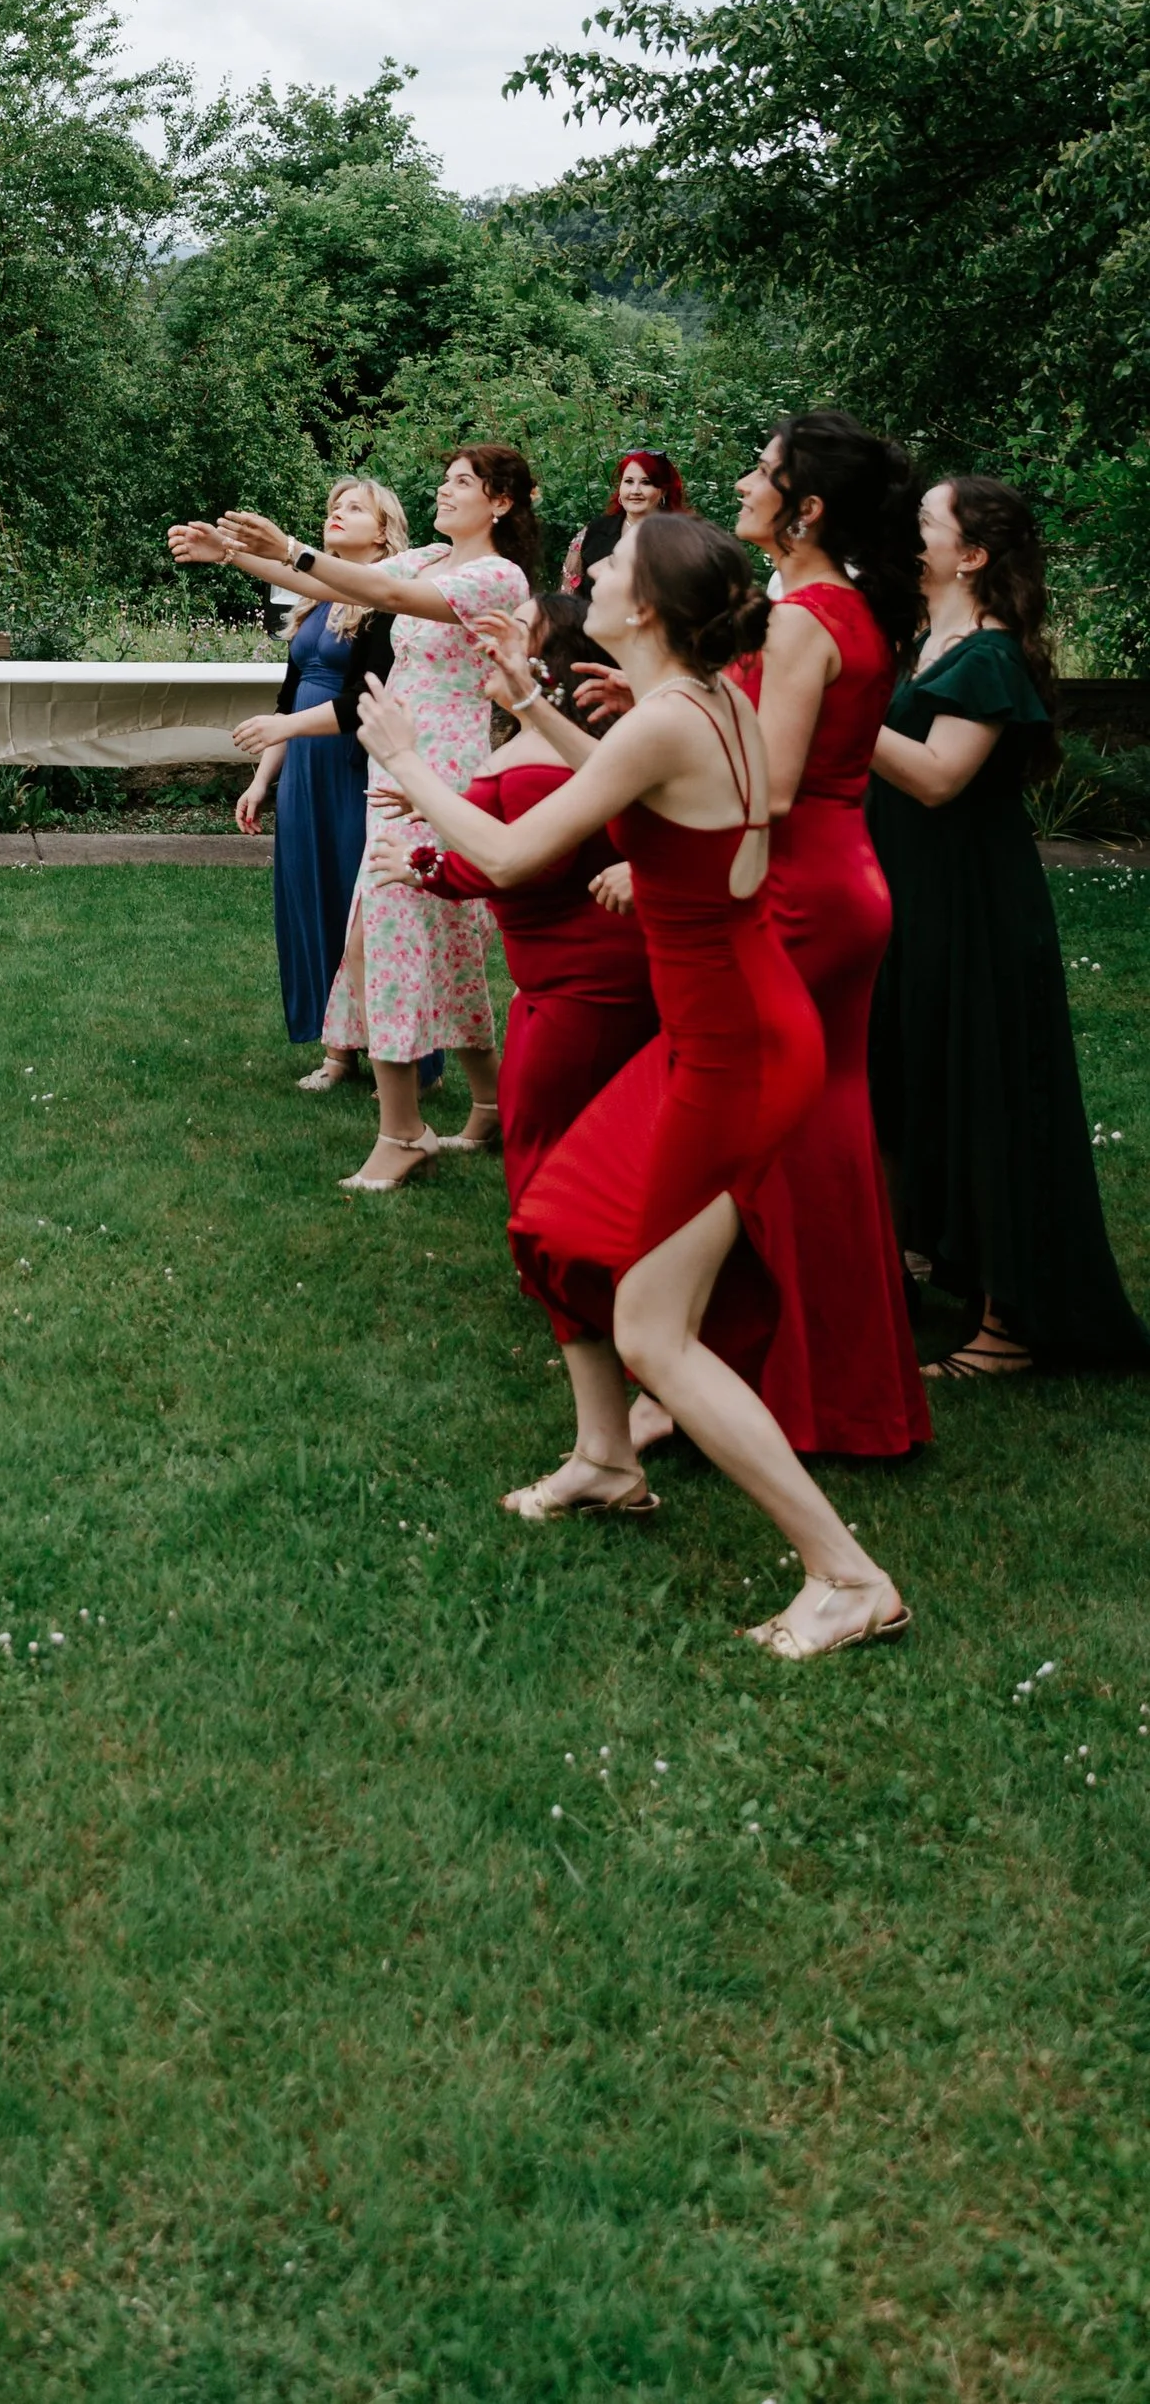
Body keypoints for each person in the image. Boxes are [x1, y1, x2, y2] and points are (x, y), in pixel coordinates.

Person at [365, 511, 911, 1661]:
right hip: (733, 1029)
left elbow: (512, 857)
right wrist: (528, 705)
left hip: (735, 1052)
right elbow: (646, 791)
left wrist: (410, 763)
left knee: (656, 1332)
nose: (589, 578)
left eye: (606, 571)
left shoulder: (671, 716)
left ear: (645, 610)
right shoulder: (703, 703)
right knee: (556, 1217)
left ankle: (847, 1576)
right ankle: (608, 1461)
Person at [181, 448, 537, 1189]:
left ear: (501, 503)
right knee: (444, 942)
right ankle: (492, 1104)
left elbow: (384, 593)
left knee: (392, 934)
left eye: (463, 482)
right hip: (394, 762)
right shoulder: (437, 555)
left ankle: (402, 1129)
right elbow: (336, 581)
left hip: (438, 770)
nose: (445, 489)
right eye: (445, 479)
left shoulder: (497, 575)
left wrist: (290, 546)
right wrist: (242, 560)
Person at [868, 475, 1150, 1380]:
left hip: (973, 904)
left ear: (973, 555)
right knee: (913, 1076)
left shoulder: (987, 656)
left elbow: (941, 776)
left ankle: (1011, 1326)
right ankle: (920, 1259)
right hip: (913, 892)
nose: (909, 537)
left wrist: (838, 716)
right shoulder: (927, 637)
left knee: (986, 1091)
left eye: (924, 525)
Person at [720, 412, 931, 1462]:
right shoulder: (842, 605)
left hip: (797, 884)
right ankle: (839, 1388)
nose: (743, 483)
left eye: (762, 474)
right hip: (848, 876)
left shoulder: (801, 614)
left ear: (803, 510)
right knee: (827, 1131)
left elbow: (774, 779)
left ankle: (794, 1389)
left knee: (767, 1126)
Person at [373, 589, 656, 1231]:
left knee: (550, 1130)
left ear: (551, 661)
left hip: (585, 980)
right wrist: (436, 806)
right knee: (543, 1122)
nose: (491, 641)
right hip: (556, 978)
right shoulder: (539, 739)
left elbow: (530, 866)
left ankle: (576, 1270)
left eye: (517, 629)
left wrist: (427, 869)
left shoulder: (545, 759)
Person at [229, 478, 410, 1087]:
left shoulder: (392, 596)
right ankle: (336, 1042)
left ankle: (386, 1048)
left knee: (356, 900)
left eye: (353, 508)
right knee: (309, 896)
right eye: (334, 507)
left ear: (383, 529)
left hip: (353, 761)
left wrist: (283, 727)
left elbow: (361, 698)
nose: (338, 514)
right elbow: (290, 691)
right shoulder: (316, 595)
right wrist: (263, 780)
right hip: (304, 765)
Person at [560, 450, 685, 595]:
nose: (635, 490)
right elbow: (570, 596)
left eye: (646, 482)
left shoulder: (680, 538)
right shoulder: (594, 531)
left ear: (663, 491)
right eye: (629, 481)